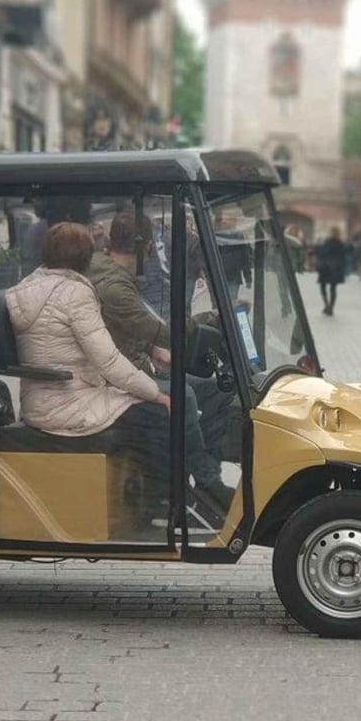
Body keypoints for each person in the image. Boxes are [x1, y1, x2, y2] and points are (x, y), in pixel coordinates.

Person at [86, 210, 235, 510]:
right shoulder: (114, 285)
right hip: (116, 381)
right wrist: (210, 317)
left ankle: (203, 473)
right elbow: (161, 330)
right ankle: (202, 485)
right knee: (187, 395)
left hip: (133, 365)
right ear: (149, 247)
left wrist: (153, 348)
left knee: (216, 389)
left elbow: (130, 329)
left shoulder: (113, 275)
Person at [7, 223, 173, 486]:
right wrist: (155, 393)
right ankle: (162, 500)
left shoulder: (24, 289)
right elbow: (108, 361)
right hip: (70, 405)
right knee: (159, 414)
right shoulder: (75, 294)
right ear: (86, 257)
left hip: (38, 403)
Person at [315, 228, 347, 316]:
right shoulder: (340, 244)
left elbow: (321, 253)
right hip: (335, 268)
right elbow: (343, 257)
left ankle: (327, 305)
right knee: (333, 288)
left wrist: (317, 248)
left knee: (323, 287)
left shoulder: (327, 242)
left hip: (326, 267)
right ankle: (330, 307)